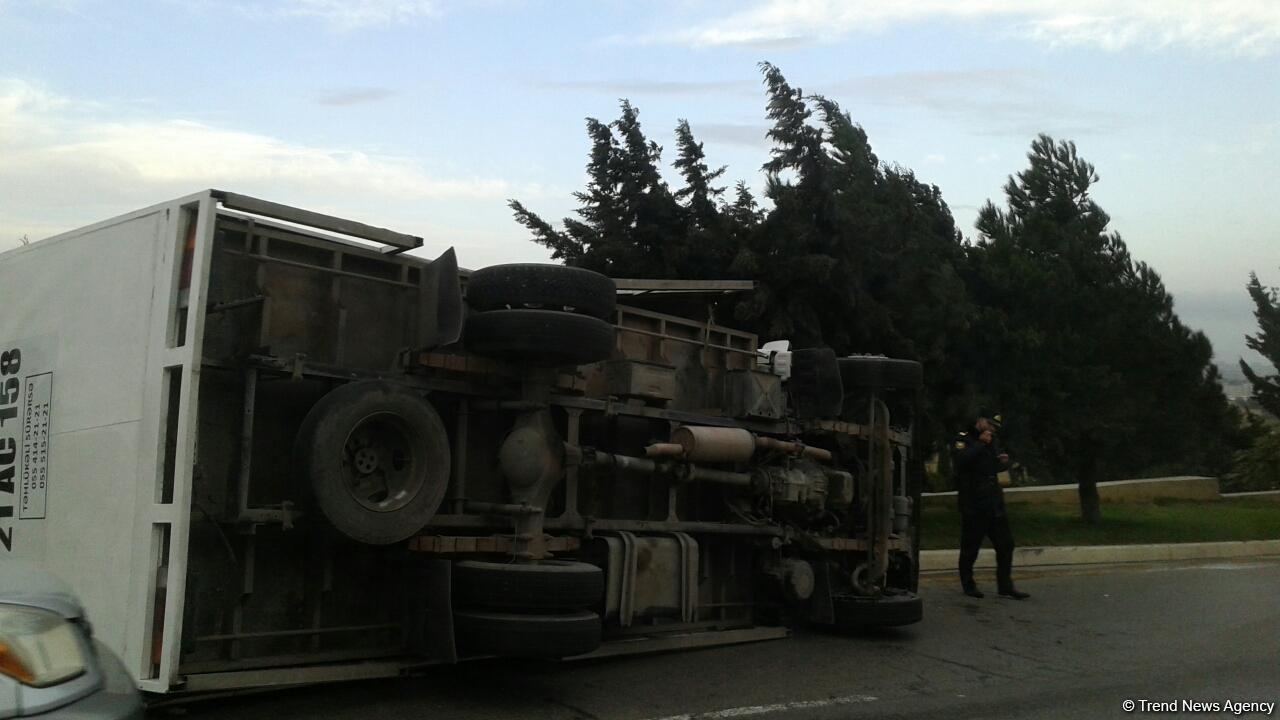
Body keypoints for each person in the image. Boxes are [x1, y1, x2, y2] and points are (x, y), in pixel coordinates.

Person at [952, 413, 1030, 600]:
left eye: (995, 427)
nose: (992, 430)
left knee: (1006, 544)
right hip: (974, 502)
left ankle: (1005, 585)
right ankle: (968, 585)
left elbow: (991, 466)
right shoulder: (963, 438)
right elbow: (962, 462)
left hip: (993, 501)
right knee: (971, 547)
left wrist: (1003, 463)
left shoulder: (992, 440)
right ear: (979, 421)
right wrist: (980, 444)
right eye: (989, 425)